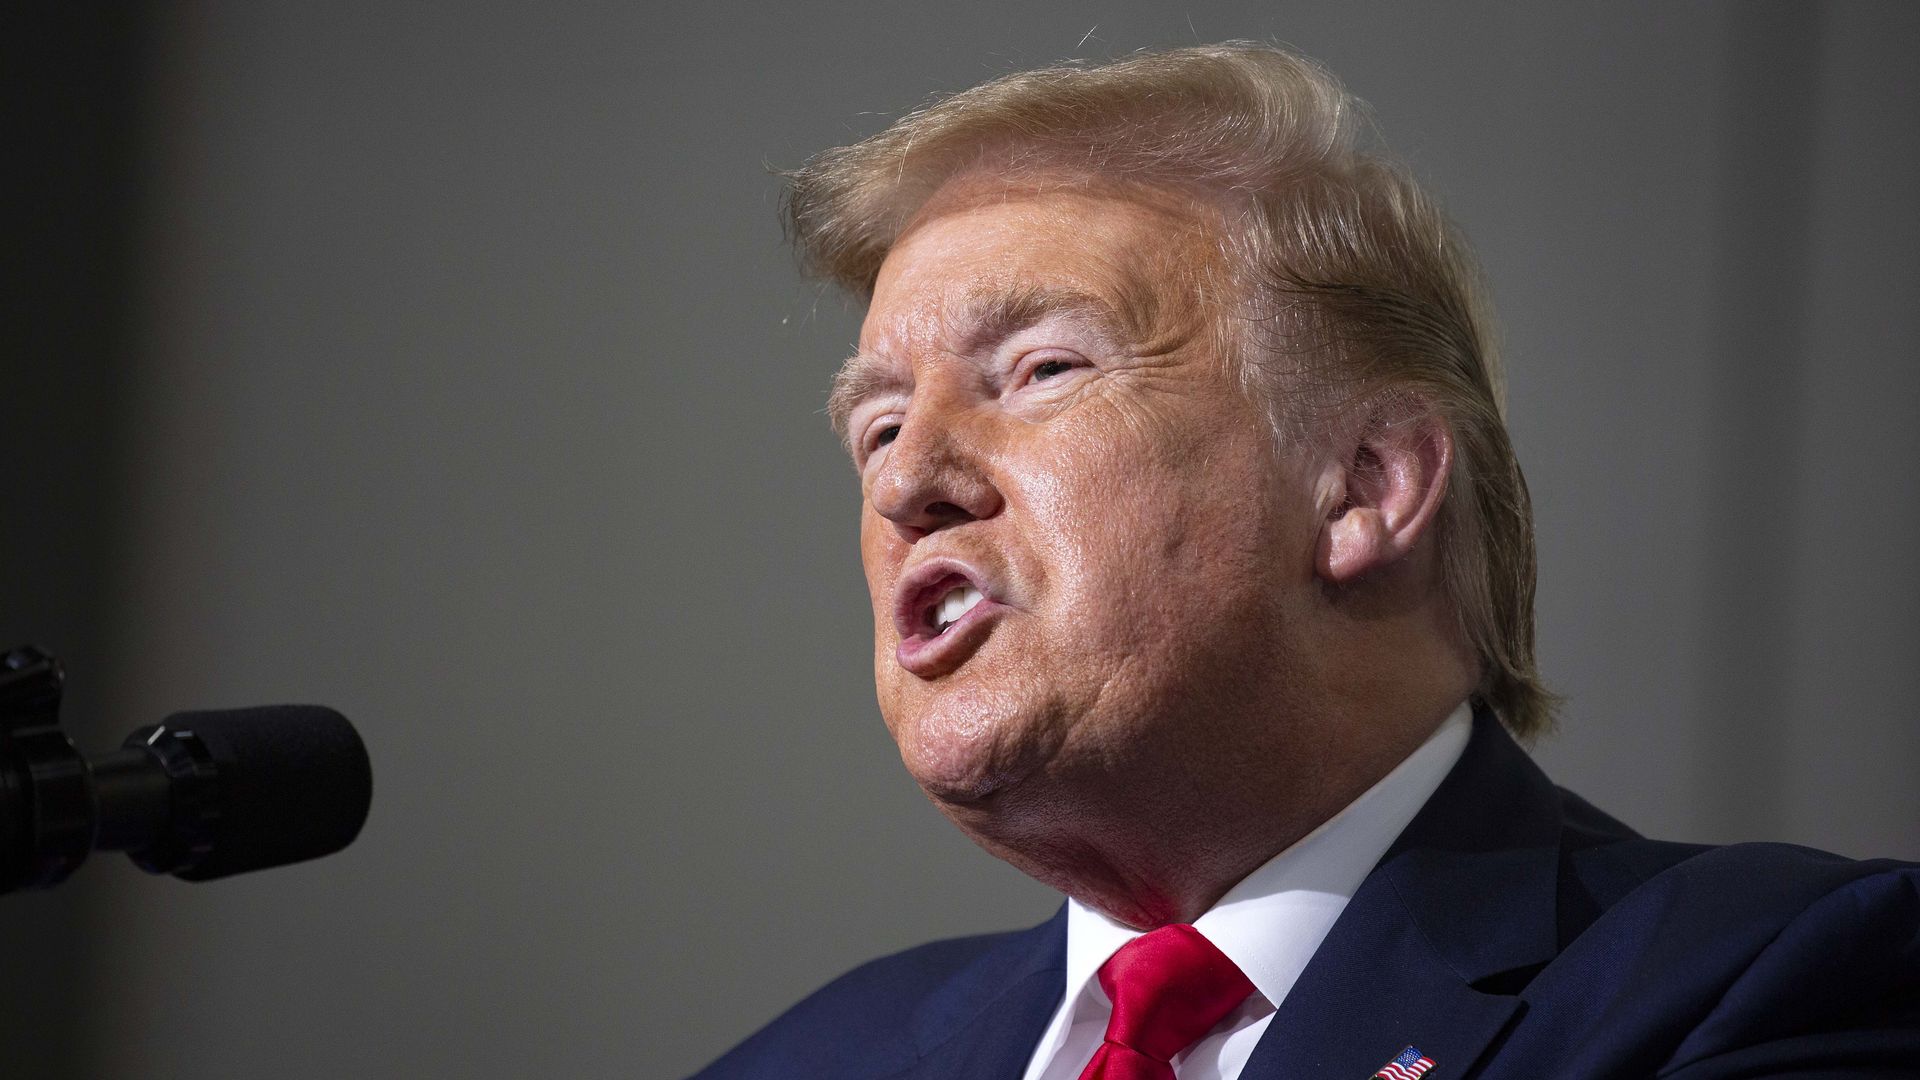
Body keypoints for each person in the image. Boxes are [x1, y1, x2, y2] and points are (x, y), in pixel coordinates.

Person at [692, 43, 1918, 1080]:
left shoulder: (1763, 984)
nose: (907, 485)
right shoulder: (808, 1057)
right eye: (880, 425)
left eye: (1042, 372)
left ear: (1366, 487)